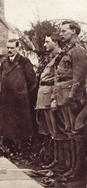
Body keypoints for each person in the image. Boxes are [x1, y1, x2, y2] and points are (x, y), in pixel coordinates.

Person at [54, 20, 87, 181]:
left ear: (74, 31)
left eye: (64, 31)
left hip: (71, 98)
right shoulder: (69, 50)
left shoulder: (78, 51)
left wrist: (74, 98)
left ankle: (77, 171)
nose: (60, 34)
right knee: (69, 133)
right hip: (64, 97)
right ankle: (71, 167)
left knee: (75, 135)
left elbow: (79, 77)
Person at [35, 33, 69, 171]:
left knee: (56, 131)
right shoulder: (49, 57)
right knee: (49, 131)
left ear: (56, 43)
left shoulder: (59, 58)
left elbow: (57, 80)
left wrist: (54, 98)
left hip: (50, 97)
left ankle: (60, 162)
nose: (44, 44)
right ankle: (54, 159)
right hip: (43, 97)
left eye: (47, 41)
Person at [0, 39, 37, 154]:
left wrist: (23, 93)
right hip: (7, 99)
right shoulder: (4, 63)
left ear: (17, 48)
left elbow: (32, 81)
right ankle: (9, 149)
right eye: (8, 48)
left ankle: (23, 151)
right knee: (7, 126)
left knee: (21, 126)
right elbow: (1, 78)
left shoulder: (24, 61)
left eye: (12, 48)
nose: (9, 50)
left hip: (20, 100)